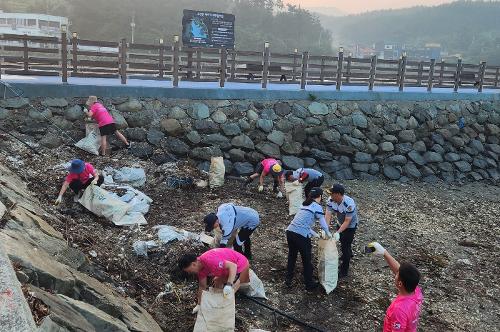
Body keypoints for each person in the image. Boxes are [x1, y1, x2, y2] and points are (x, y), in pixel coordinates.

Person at [367, 242, 423, 332]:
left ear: (400, 284)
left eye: (397, 274)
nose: (395, 274)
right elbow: (399, 270)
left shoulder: (399, 310)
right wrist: (385, 253)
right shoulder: (416, 291)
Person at [285, 187, 334, 290]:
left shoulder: (304, 204)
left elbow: (301, 223)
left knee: (292, 256)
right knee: (306, 259)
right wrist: (329, 234)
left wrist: (315, 234)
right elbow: (323, 225)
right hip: (300, 236)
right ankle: (309, 284)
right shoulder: (317, 207)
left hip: (290, 231)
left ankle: (288, 279)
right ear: (320, 196)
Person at [178, 248, 250, 314]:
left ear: (193, 264)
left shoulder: (210, 260)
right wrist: (199, 304)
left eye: (190, 271)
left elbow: (233, 266)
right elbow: (202, 286)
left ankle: (224, 310)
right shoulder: (200, 269)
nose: (190, 273)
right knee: (216, 281)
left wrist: (229, 285)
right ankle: (218, 302)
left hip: (240, 265)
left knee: (230, 292)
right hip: (226, 268)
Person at [326, 184, 358, 278]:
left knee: (345, 247)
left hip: (350, 226)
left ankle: (344, 270)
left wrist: (338, 232)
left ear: (339, 194)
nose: (330, 195)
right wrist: (326, 228)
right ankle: (348, 254)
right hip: (340, 222)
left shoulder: (349, 204)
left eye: (332, 194)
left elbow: (347, 221)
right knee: (341, 241)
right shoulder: (331, 200)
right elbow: (328, 214)